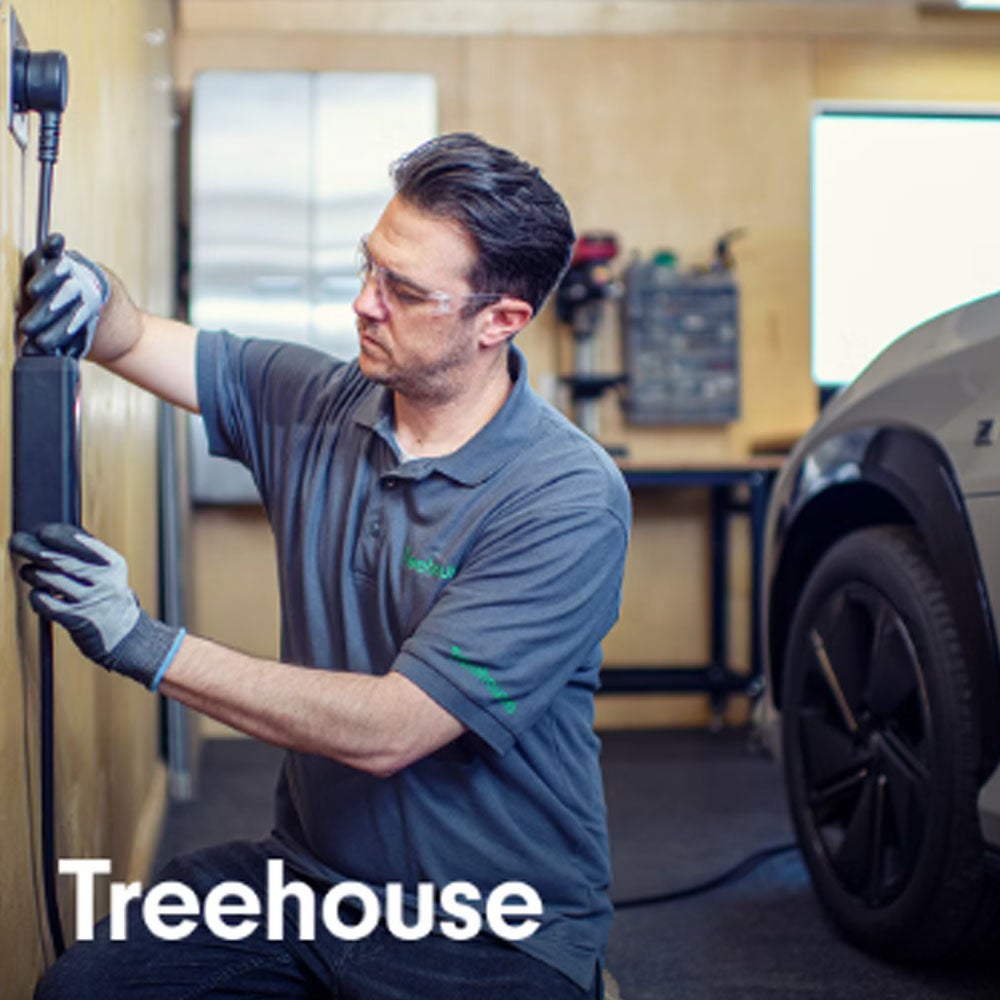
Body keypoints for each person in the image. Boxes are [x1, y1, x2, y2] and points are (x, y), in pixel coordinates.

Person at [13, 132, 631, 999]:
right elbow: (135, 335)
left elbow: (394, 731)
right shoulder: (313, 401)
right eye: (368, 267)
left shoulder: (564, 496)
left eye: (404, 291)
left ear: (500, 321)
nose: (363, 304)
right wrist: (89, 290)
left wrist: (139, 640)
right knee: (83, 993)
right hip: (308, 884)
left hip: (492, 924)